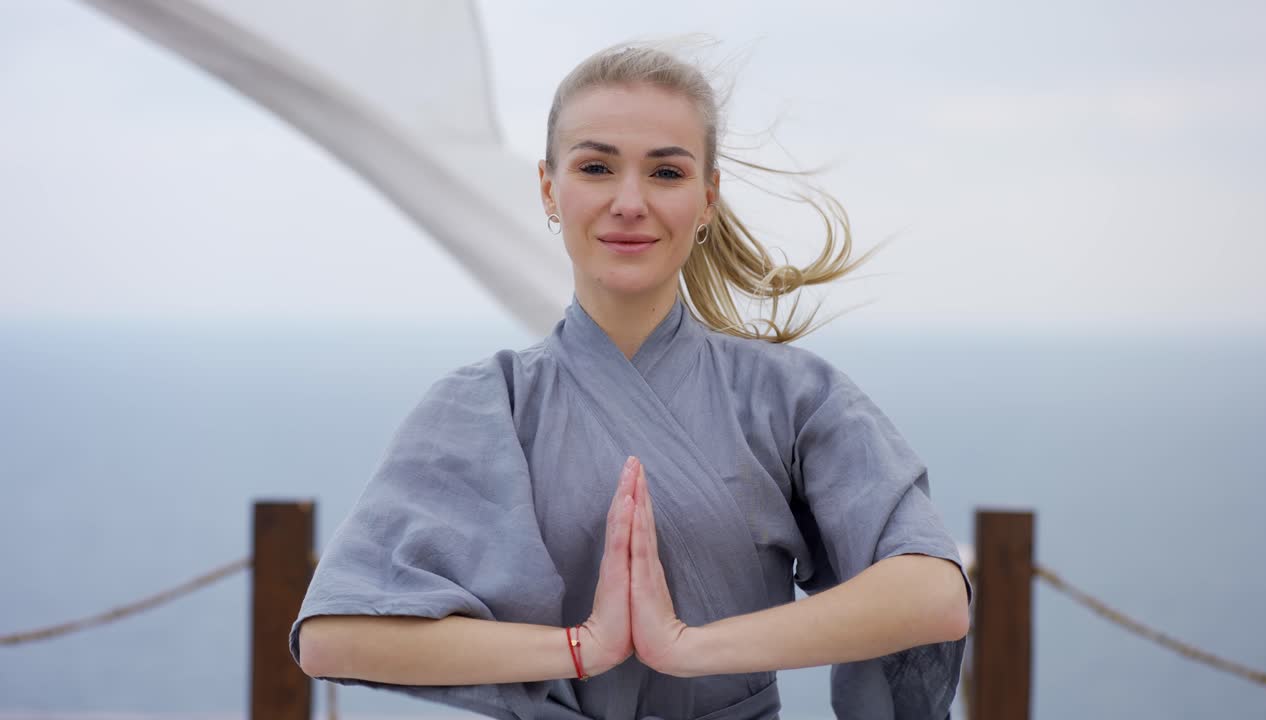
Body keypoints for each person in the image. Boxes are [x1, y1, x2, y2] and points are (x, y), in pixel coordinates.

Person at [289, 39, 971, 720]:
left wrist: (690, 648)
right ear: (550, 188)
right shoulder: (488, 404)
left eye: (666, 174)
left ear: (707, 200)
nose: (629, 202)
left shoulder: (790, 398)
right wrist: (582, 647)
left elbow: (933, 595)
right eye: (595, 167)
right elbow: (332, 637)